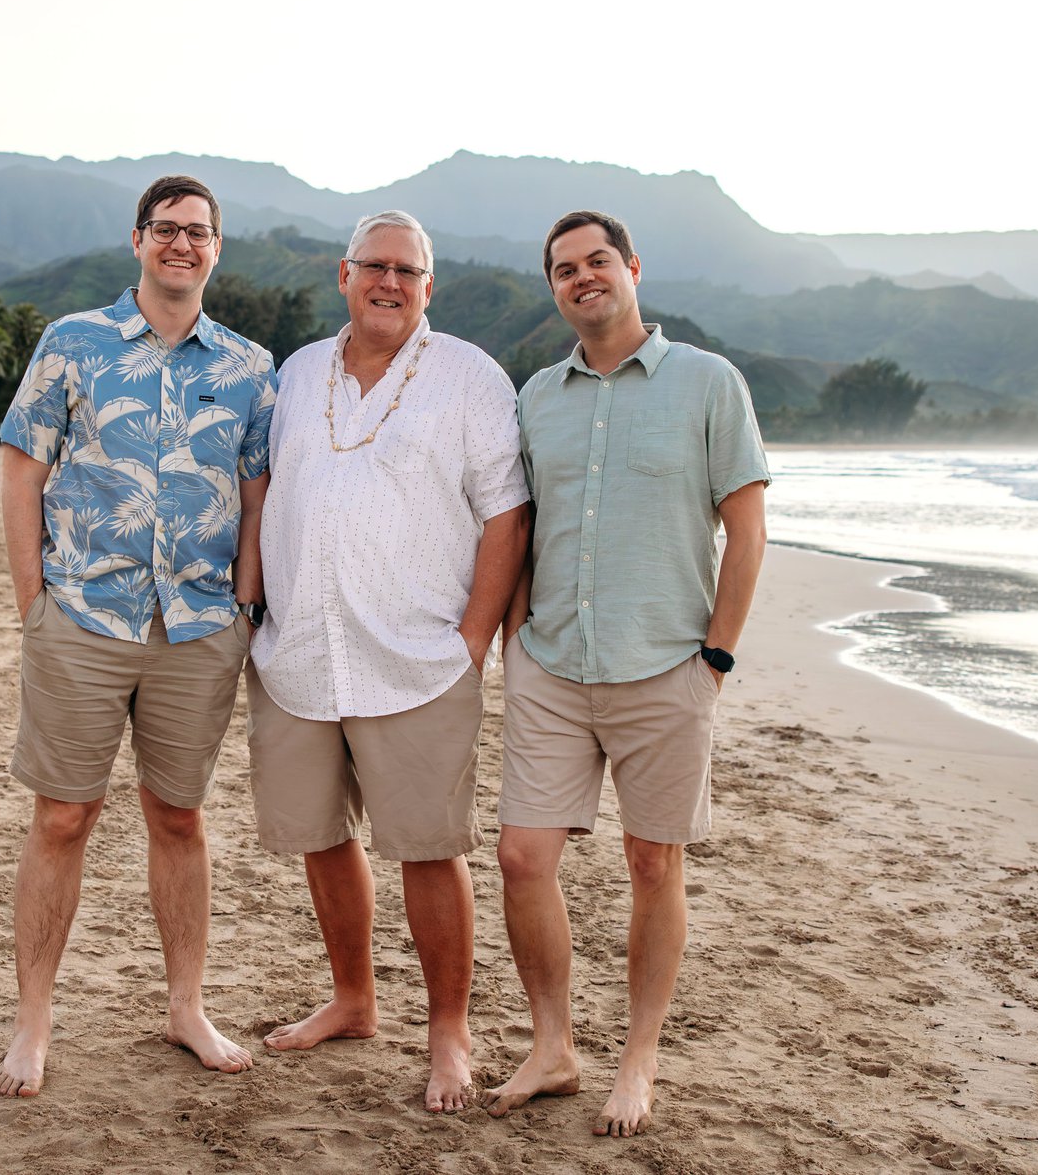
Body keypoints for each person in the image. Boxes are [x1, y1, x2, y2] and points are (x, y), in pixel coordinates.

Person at [485, 208, 769, 1136]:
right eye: (564, 269)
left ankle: (638, 1060)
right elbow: (521, 524)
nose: (583, 278)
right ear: (554, 288)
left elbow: (747, 531)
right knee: (522, 858)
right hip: (551, 665)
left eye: (597, 260)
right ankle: (553, 1047)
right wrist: (515, 640)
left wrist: (715, 659)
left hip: (666, 665)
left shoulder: (709, 382)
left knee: (653, 862)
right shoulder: (536, 395)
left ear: (633, 268)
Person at [0, 174, 277, 1097]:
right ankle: (33, 1022)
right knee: (62, 817)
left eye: (198, 232)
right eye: (166, 228)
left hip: (197, 627)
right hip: (82, 616)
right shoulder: (72, 342)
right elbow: (23, 470)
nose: (181, 244)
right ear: (138, 239)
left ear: (216, 248)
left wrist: (243, 604)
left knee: (180, 817)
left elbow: (258, 494)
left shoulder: (250, 367)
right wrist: (33, 601)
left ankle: (186, 1008)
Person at [247, 209, 530, 1112]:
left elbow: (507, 512)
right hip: (299, 651)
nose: (390, 282)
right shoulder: (297, 374)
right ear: (344, 275)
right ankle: (353, 1000)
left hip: (418, 656)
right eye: (375, 266)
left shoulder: (470, 377)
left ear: (428, 287)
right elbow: (261, 489)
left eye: (408, 271)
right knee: (320, 836)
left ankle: (449, 1033)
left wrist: (473, 640)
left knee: (427, 848)